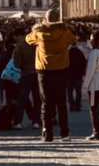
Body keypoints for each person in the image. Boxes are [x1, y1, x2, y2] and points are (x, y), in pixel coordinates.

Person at [26, 10, 76, 142]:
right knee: (61, 103)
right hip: (61, 69)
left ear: (46, 19)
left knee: (46, 103)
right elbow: (74, 40)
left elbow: (28, 39)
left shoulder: (39, 33)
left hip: (44, 70)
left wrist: (40, 26)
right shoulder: (65, 32)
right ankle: (65, 133)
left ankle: (47, 133)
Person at [68, 29, 90, 112]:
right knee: (78, 91)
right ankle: (77, 105)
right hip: (78, 75)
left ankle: (71, 105)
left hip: (69, 75)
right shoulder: (79, 52)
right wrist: (83, 72)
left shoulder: (68, 53)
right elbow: (84, 63)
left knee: (70, 92)